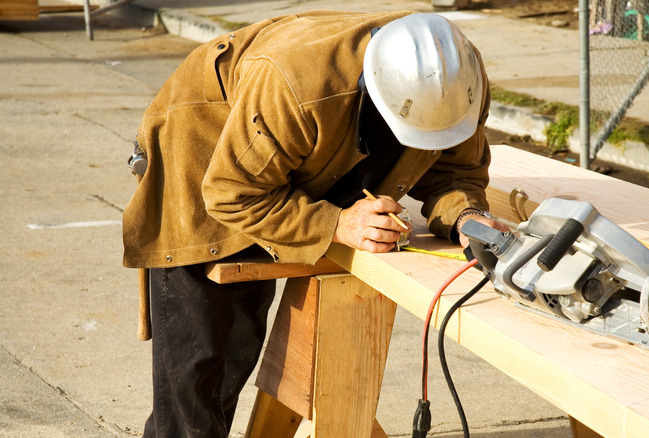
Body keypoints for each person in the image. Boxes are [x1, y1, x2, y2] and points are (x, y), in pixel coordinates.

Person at [122, 10, 506, 437]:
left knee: (237, 349)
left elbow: (457, 170)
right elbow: (233, 193)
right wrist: (339, 223)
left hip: (290, 143)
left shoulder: (458, 83)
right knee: (198, 367)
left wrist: (469, 218)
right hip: (205, 149)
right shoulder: (294, 86)